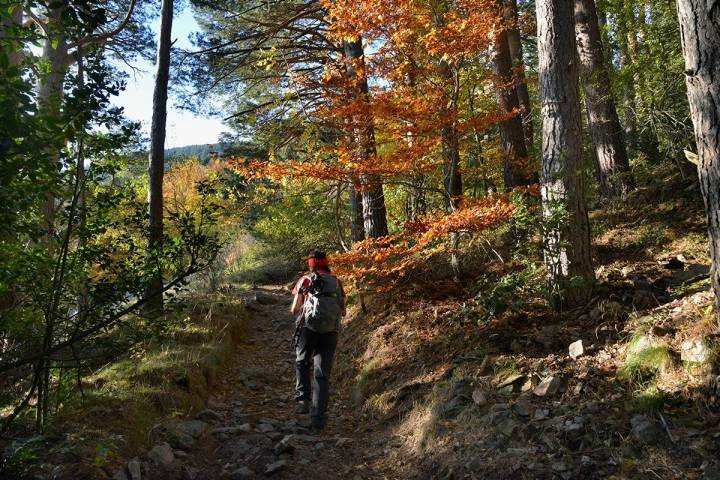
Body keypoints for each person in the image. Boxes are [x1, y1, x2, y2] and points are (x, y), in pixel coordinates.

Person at [290, 250, 346, 432]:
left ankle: (303, 399)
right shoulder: (337, 282)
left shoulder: (305, 280)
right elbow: (343, 311)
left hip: (308, 329)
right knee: (322, 375)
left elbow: (294, 309)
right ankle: (318, 420)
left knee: (301, 361)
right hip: (331, 332)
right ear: (327, 264)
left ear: (311, 264)